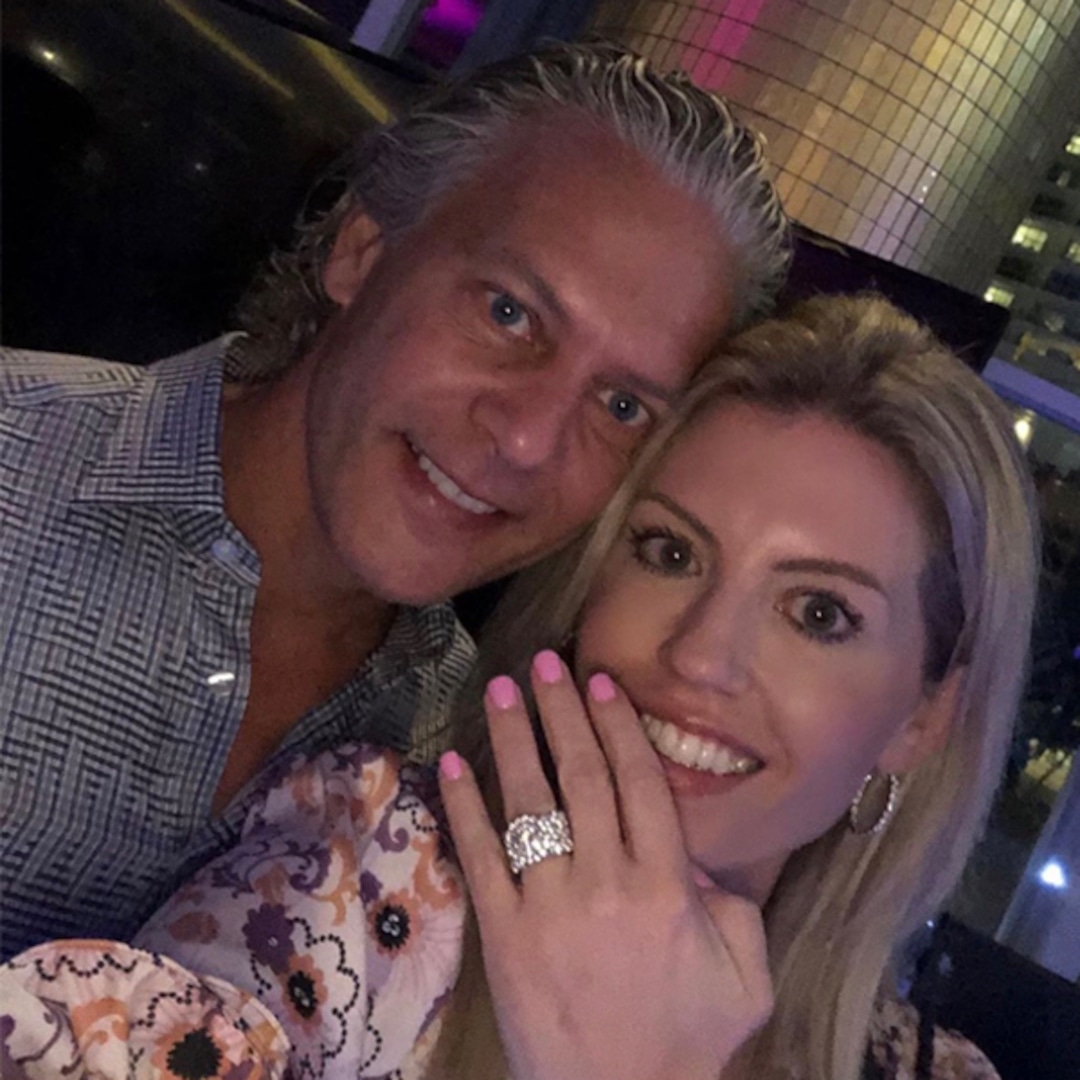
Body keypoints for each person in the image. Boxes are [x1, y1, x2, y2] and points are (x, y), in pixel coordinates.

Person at [1, 295, 1037, 1080]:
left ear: (921, 719)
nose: (700, 658)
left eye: (818, 613)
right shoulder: (369, 881)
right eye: (670, 553)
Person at [0, 41, 790, 959]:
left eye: (622, 407)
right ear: (362, 251)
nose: (528, 439)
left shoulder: (464, 761)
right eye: (508, 313)